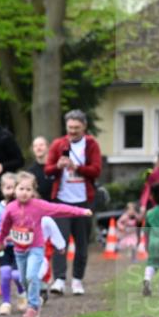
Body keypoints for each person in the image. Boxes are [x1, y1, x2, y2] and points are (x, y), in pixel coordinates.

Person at [0, 171, 92, 317]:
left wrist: (81, 211)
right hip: (19, 251)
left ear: (33, 191)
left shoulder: (38, 206)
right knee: (24, 280)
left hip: (35, 248)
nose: (25, 193)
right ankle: (33, 300)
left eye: (28, 190)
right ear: (15, 190)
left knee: (31, 276)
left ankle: (33, 307)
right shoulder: (11, 208)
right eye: (21, 189)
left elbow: (59, 209)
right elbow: (4, 227)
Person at [44, 109, 103, 296]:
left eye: (77, 128)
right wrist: (58, 166)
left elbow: (96, 170)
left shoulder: (92, 145)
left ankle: (77, 280)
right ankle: (59, 279)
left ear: (84, 127)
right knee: (60, 241)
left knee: (82, 242)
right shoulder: (58, 144)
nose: (73, 132)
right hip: (62, 200)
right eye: (70, 128)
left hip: (84, 201)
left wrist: (77, 167)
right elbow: (47, 169)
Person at [0, 172, 26, 315]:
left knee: (16, 275)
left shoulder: (21, 207)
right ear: (2, 189)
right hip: (3, 247)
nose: (10, 191)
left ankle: (22, 295)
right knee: (5, 273)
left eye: (13, 187)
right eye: (7, 187)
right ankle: (6, 303)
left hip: (19, 247)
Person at [27, 136, 54, 203]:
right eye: (35, 146)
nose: (38, 148)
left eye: (41, 145)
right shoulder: (30, 171)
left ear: (48, 147)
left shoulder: (55, 167)